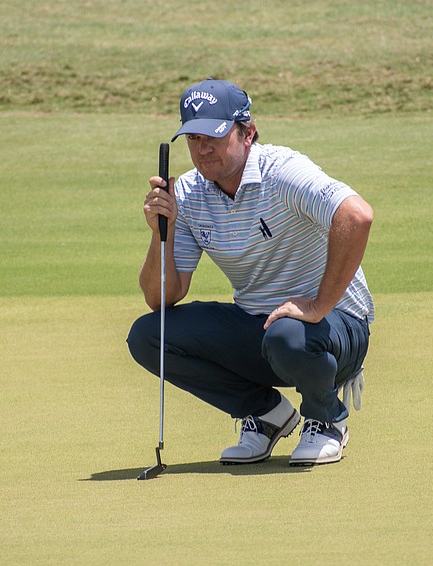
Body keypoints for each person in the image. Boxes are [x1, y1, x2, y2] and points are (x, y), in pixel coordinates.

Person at [127, 78, 374, 467]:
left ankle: (326, 419)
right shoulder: (189, 194)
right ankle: (266, 414)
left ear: (248, 133)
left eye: (214, 134)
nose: (203, 147)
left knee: (289, 335)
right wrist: (165, 229)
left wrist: (317, 305)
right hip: (261, 330)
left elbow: (356, 215)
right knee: (147, 335)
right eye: (192, 137)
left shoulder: (283, 172)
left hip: (335, 329)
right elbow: (161, 297)